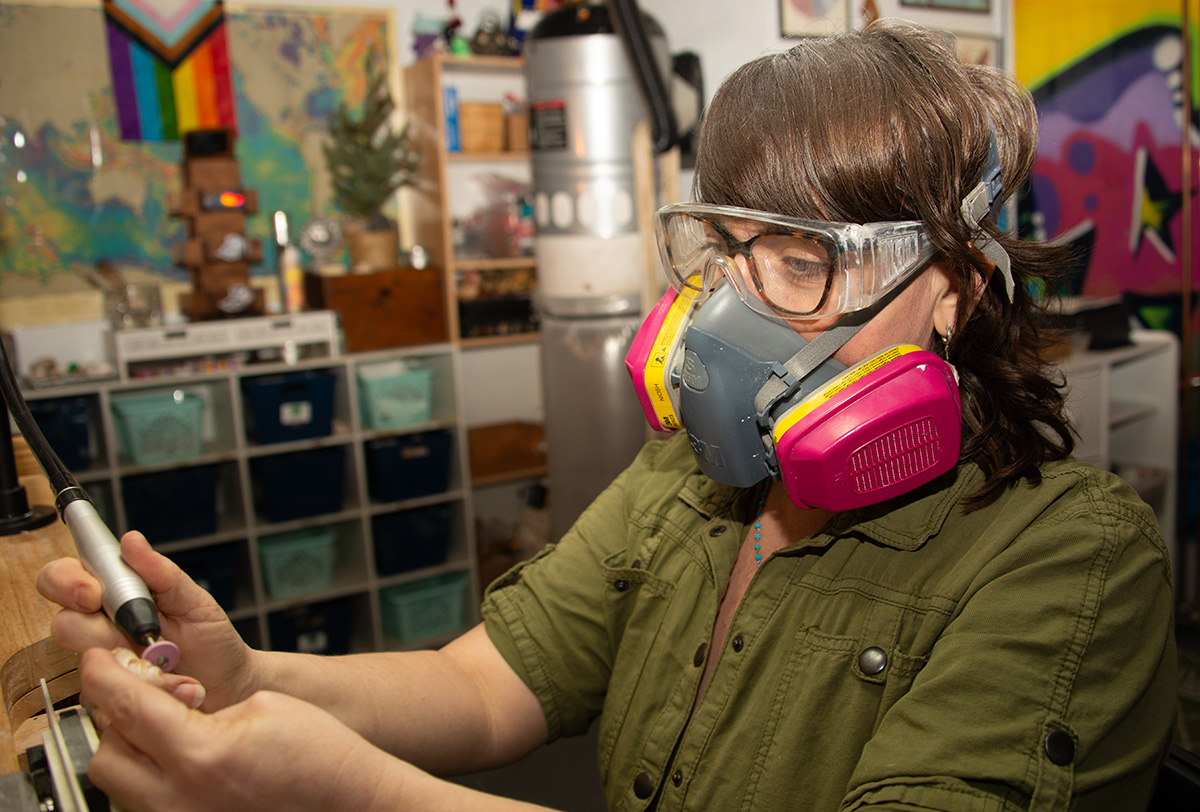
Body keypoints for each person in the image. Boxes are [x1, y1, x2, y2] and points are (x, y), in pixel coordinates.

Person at [37, 19, 1176, 812]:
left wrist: (339, 786)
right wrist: (252, 681)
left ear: (955, 289)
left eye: (798, 259)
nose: (732, 312)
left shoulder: (1072, 563)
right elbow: (485, 687)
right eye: (724, 251)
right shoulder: (691, 475)